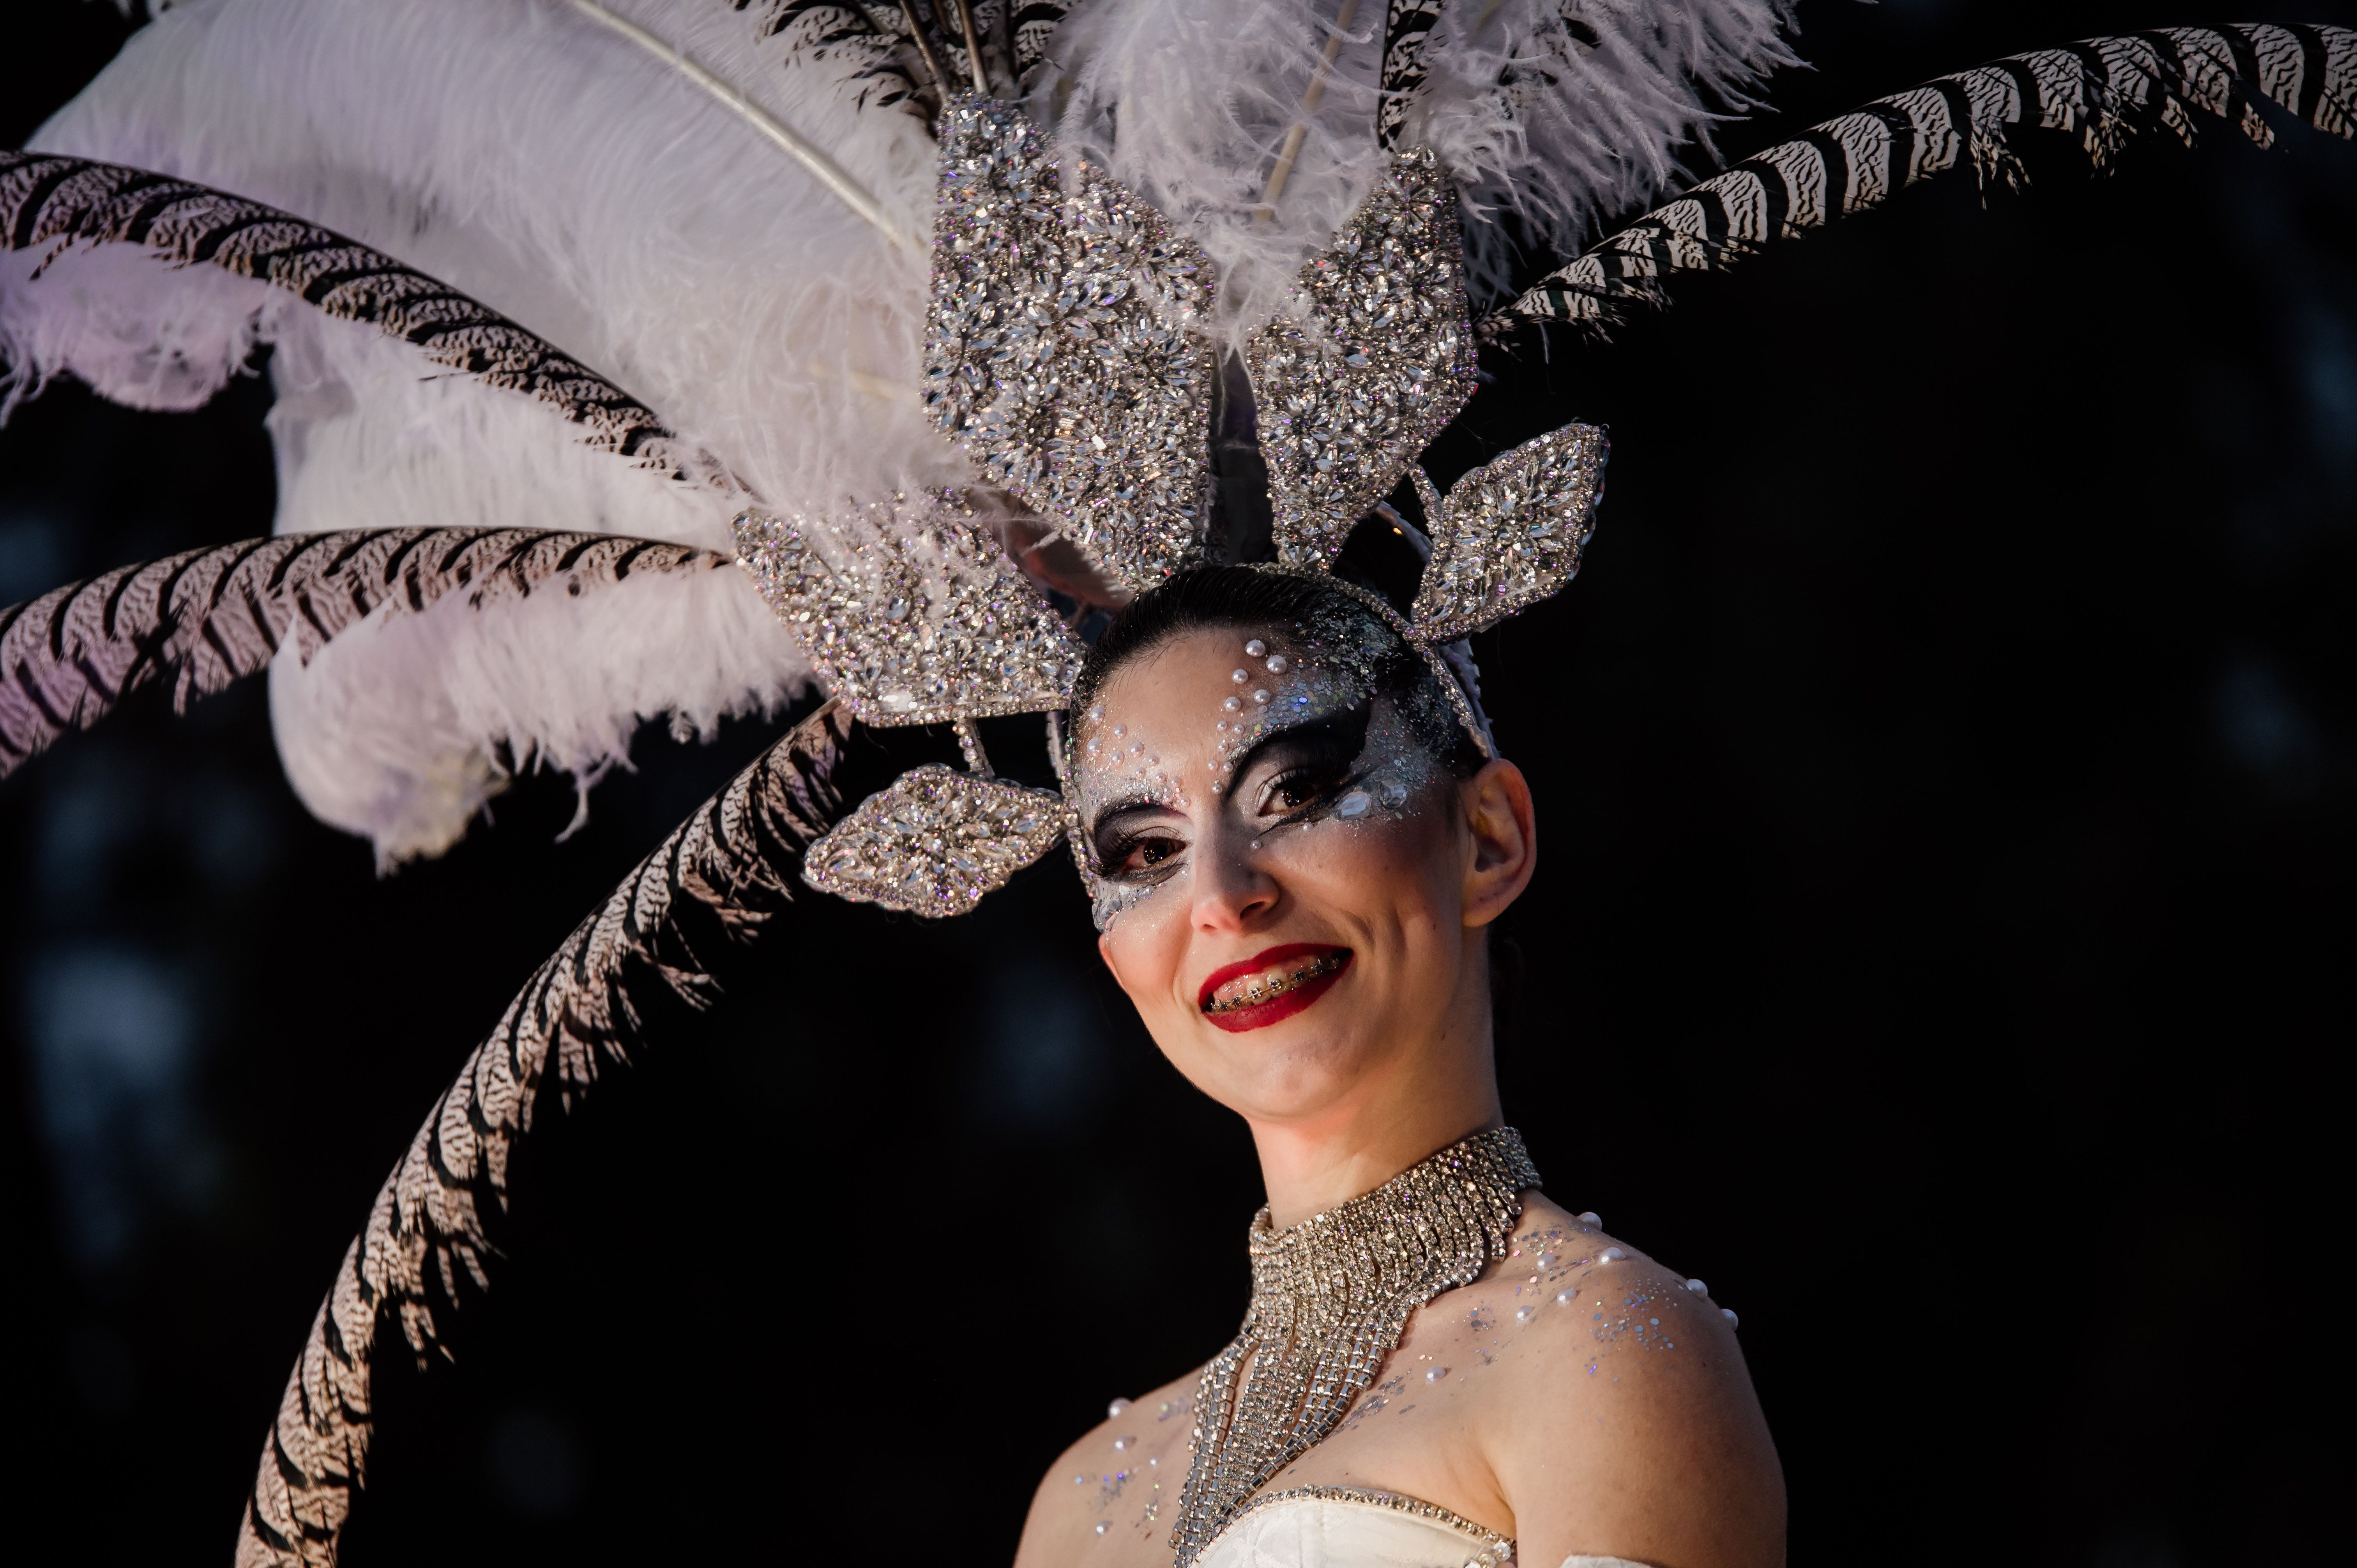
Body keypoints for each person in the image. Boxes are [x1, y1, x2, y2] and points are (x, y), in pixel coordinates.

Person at [1012, 566, 1784, 1568]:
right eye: (1147, 853)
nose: (1221, 893)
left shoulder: (1605, 1350)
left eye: (1293, 789)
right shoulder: (1083, 1503)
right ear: (1119, 963)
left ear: (1489, 836)